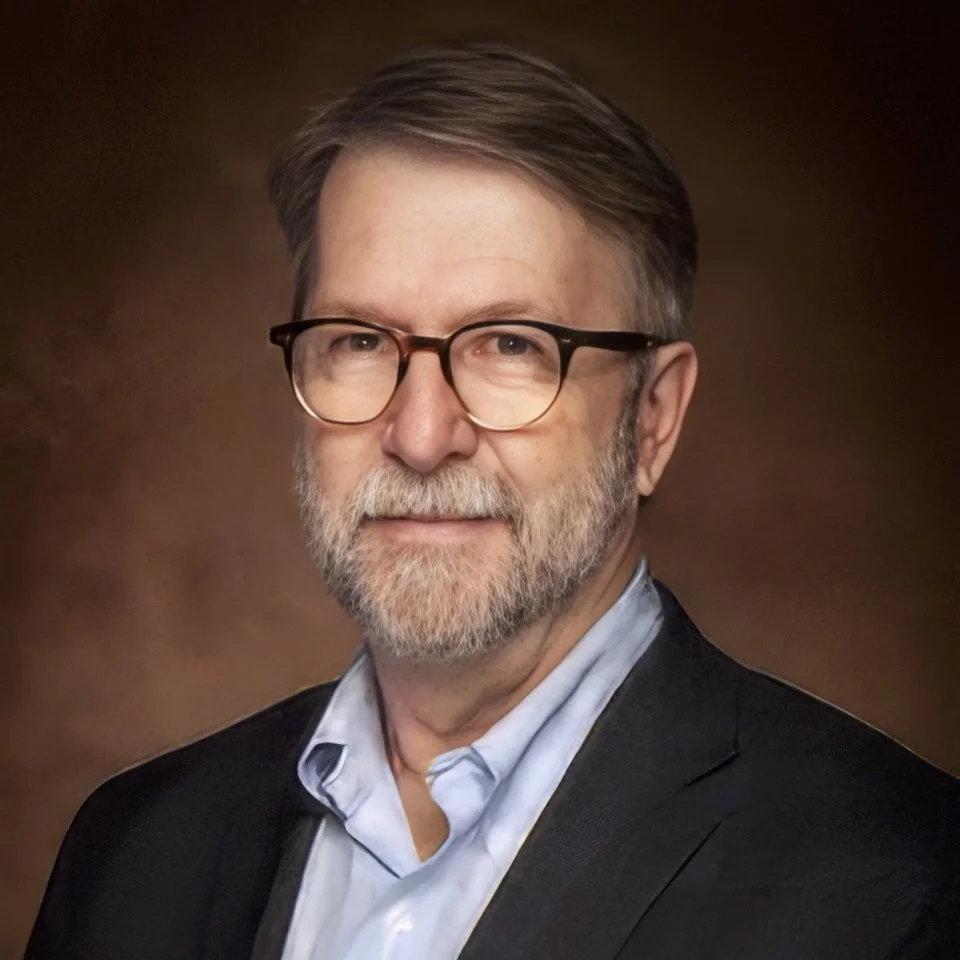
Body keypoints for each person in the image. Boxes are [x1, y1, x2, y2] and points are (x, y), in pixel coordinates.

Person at [26, 42, 958, 960]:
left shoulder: (894, 886)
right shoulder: (130, 856)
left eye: (510, 345)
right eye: (358, 341)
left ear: (654, 419)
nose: (422, 434)